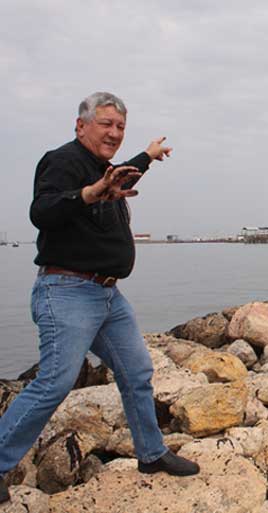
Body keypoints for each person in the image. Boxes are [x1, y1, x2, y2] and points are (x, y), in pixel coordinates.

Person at [0, 92, 198, 504]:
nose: (114, 132)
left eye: (120, 127)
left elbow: (121, 178)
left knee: (137, 371)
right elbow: (42, 211)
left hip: (107, 295)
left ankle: (151, 453)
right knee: (54, 382)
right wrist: (90, 193)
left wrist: (147, 155)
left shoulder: (104, 169)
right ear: (81, 125)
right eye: (106, 124)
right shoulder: (63, 161)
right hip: (67, 290)